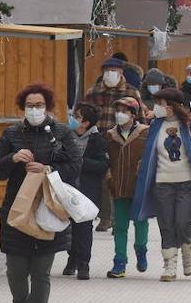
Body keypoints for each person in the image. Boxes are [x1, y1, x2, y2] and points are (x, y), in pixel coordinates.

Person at [0, 83, 80, 303]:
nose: (35, 110)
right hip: (16, 211)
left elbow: (74, 167)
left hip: (49, 210)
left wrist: (48, 168)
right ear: (22, 107)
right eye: (30, 105)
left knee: (41, 274)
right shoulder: (11, 134)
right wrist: (13, 159)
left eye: (39, 105)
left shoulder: (62, 133)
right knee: (15, 272)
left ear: (48, 107)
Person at [129, 87, 191, 282]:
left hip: (185, 183)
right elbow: (149, 154)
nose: (156, 107)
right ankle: (169, 265)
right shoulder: (155, 125)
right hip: (161, 184)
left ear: (170, 105)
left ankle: (187, 252)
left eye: (159, 103)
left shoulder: (189, 124)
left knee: (182, 222)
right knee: (166, 225)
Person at [86, 58, 141, 231]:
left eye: (114, 70)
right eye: (107, 70)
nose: (110, 74)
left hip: (124, 141)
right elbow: (84, 115)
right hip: (100, 140)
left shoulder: (131, 92)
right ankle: (105, 217)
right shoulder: (93, 92)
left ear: (121, 72)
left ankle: (119, 219)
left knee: (121, 179)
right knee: (104, 179)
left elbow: (140, 118)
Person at [105, 96, 150, 278]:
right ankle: (120, 261)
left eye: (124, 111)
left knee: (140, 223)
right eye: (118, 111)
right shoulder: (110, 135)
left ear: (133, 114)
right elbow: (106, 160)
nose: (120, 115)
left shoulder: (145, 133)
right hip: (118, 187)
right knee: (120, 226)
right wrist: (109, 178)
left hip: (139, 188)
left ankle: (141, 250)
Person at [64, 102, 107, 280]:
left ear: (86, 123)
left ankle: (84, 263)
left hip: (87, 191)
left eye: (77, 117)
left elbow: (103, 165)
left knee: (84, 228)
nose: (72, 119)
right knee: (69, 228)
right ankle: (72, 258)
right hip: (68, 190)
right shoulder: (67, 137)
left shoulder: (97, 140)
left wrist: (81, 162)